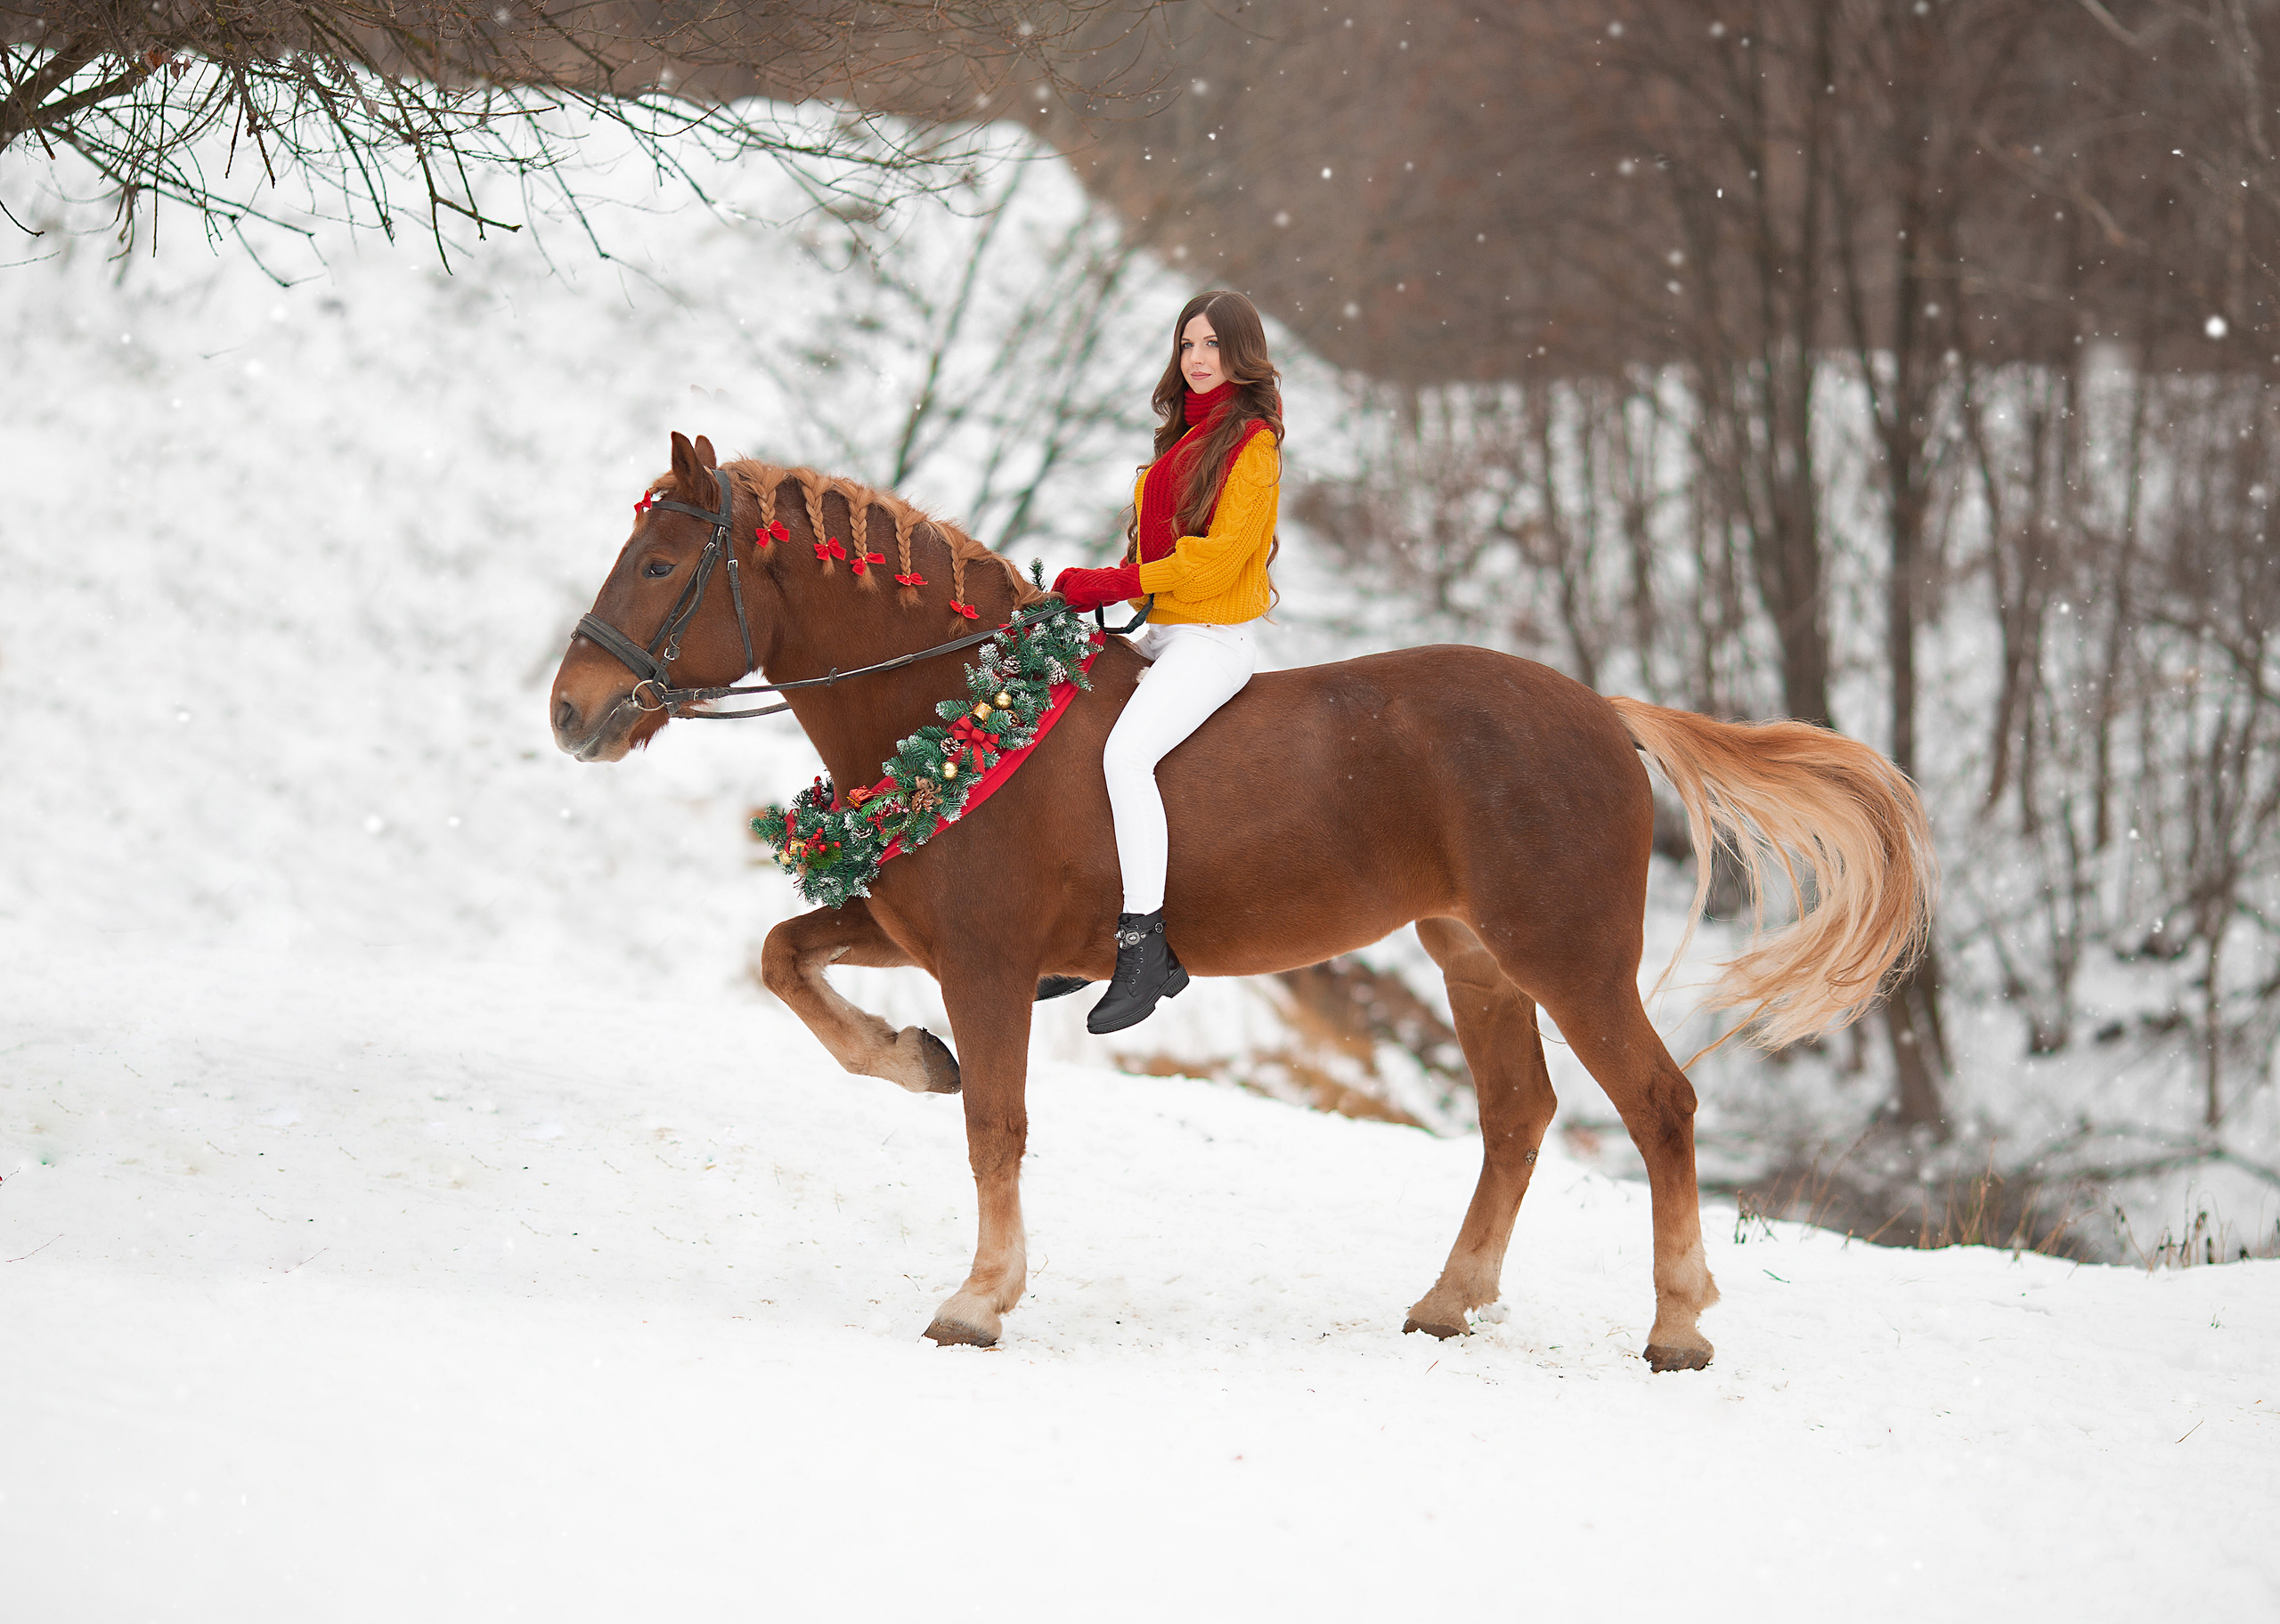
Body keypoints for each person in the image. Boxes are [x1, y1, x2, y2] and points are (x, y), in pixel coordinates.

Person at [1053, 290, 1283, 1035]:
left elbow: (1217, 563)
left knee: (1125, 758)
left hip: (1213, 638)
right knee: (1065, 736)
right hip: (1158, 631)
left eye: (1215, 345)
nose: (1199, 359)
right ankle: (1078, 932)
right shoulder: (1183, 439)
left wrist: (1117, 583)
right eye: (1188, 345)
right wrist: (1103, 591)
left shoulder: (1254, 443)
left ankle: (1146, 949)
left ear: (1242, 354)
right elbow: (1156, 549)